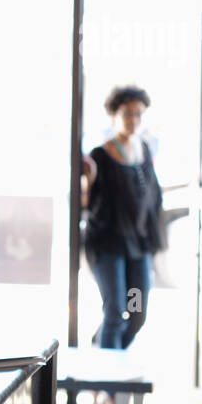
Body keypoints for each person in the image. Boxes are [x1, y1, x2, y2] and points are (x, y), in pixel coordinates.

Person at [81, 85, 167, 361]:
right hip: (108, 246)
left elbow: (151, 195)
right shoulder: (100, 155)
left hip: (138, 247)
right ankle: (106, 387)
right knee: (116, 312)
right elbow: (85, 201)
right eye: (127, 114)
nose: (133, 120)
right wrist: (88, 179)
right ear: (114, 114)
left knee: (137, 313)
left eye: (138, 114)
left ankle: (102, 350)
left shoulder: (143, 149)